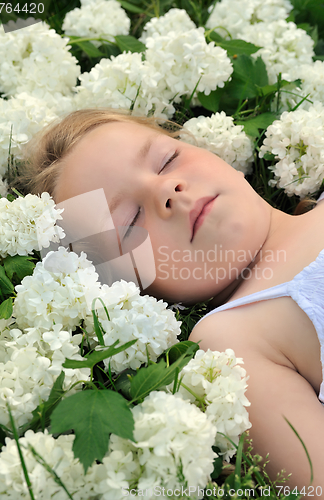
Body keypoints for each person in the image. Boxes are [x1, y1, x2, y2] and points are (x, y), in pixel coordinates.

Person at [23, 108, 324, 494]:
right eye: (130, 222)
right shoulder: (232, 339)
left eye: (167, 160)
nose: (165, 189)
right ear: (129, 289)